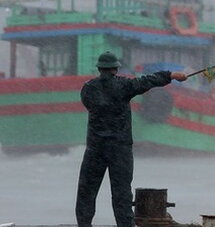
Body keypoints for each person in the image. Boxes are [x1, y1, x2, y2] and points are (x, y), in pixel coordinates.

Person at [75, 51, 187, 227]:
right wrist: (171, 75)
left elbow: (89, 104)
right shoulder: (125, 86)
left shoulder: (88, 88)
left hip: (95, 148)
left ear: (99, 68)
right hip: (120, 148)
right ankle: (125, 225)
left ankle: (84, 224)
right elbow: (147, 81)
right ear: (116, 69)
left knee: (87, 191)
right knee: (121, 193)